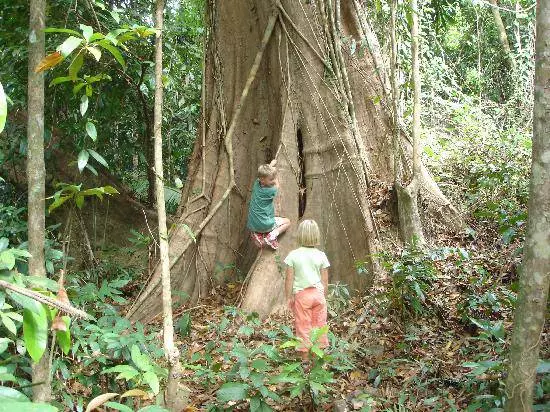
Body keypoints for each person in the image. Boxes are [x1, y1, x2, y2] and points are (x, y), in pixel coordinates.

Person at [284, 219, 329, 359]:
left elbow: (289, 279)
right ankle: (317, 358)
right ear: (316, 235)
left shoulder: (293, 255)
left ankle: (304, 360)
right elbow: (325, 280)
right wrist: (323, 295)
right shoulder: (321, 255)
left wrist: (288, 297)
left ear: (300, 235)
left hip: (302, 296)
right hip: (318, 294)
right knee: (319, 325)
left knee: (303, 325)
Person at [247, 160, 290, 249]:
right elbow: (277, 185)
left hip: (253, 224)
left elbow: (264, 175)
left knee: (264, 219)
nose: (273, 180)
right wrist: (275, 179)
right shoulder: (271, 190)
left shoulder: (256, 184)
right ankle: (271, 236)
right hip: (265, 224)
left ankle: (257, 234)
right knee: (287, 222)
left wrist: (270, 166)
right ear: (263, 179)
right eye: (271, 179)